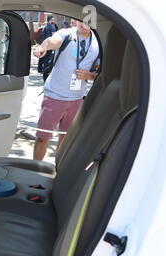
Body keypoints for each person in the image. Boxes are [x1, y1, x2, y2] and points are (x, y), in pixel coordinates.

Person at [33, 21, 100, 161]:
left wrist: (89, 76)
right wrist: (43, 46)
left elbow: (100, 73)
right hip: (54, 96)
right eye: (81, 19)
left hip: (77, 99)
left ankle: (58, 170)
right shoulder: (67, 34)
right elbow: (52, 41)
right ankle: (35, 169)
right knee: (42, 137)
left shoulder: (98, 43)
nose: (83, 23)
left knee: (66, 139)